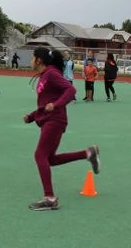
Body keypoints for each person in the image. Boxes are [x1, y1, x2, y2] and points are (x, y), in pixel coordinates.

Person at [24, 47, 100, 211]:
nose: (30, 60)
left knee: (40, 155)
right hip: (49, 120)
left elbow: (71, 90)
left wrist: (56, 105)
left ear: (39, 60)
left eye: (32, 57)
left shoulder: (51, 73)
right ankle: (88, 153)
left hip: (54, 120)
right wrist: (32, 116)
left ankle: (49, 198)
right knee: (49, 159)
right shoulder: (45, 75)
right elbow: (46, 102)